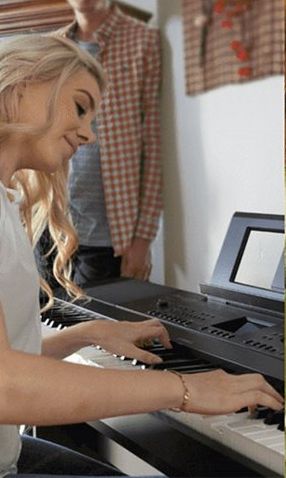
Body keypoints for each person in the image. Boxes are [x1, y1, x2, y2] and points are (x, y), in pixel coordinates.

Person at [0, 33, 283, 478]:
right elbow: (6, 386)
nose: (89, 135)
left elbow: (9, 358)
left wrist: (84, 334)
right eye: (79, 107)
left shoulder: (5, 200)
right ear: (19, 87)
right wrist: (183, 388)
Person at [53, 0, 162, 287]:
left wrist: (142, 240)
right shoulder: (54, 47)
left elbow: (153, 145)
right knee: (45, 328)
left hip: (110, 240)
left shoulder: (142, 41)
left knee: (99, 328)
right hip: (52, 230)